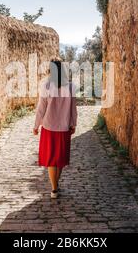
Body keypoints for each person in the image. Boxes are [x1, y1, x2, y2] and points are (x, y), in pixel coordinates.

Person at [33, 60, 78, 199]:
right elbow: (73, 108)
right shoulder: (70, 87)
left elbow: (41, 108)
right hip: (64, 127)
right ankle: (55, 186)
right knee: (60, 159)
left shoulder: (46, 85)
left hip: (49, 127)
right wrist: (73, 123)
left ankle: (54, 189)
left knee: (52, 159)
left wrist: (36, 125)